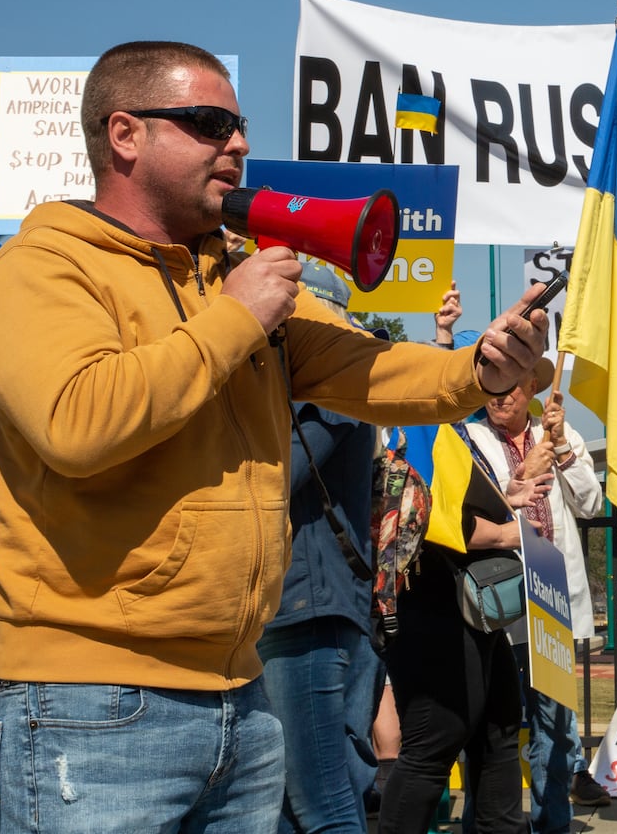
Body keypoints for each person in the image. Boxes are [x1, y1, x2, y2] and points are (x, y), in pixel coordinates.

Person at [0, 40, 547, 834]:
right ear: (125, 134)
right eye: (208, 123)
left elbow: (366, 371)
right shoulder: (41, 271)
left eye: (238, 124)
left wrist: (480, 370)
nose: (237, 143)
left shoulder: (229, 272)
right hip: (88, 702)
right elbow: (78, 422)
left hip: (241, 697)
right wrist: (235, 316)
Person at [258, 261, 382, 833]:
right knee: (296, 798)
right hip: (311, 602)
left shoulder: (333, 382)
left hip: (309, 605)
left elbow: (274, 475)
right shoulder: (331, 382)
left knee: (320, 800)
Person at [377, 426, 551, 834]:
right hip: (432, 602)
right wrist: (506, 533)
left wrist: (505, 500)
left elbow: (452, 497)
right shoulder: (419, 418)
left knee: (500, 728)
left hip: (469, 607)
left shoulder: (450, 425)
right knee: (434, 743)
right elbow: (420, 510)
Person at [466, 355, 610, 830]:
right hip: (499, 603)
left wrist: (564, 449)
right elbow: (472, 513)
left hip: (553, 600)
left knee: (554, 725)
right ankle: (487, 822)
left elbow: (590, 505)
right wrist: (526, 472)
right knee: (493, 724)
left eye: (509, 384)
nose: (499, 395)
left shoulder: (560, 439)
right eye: (492, 384)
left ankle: (552, 824)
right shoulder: (472, 438)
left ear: (531, 387)